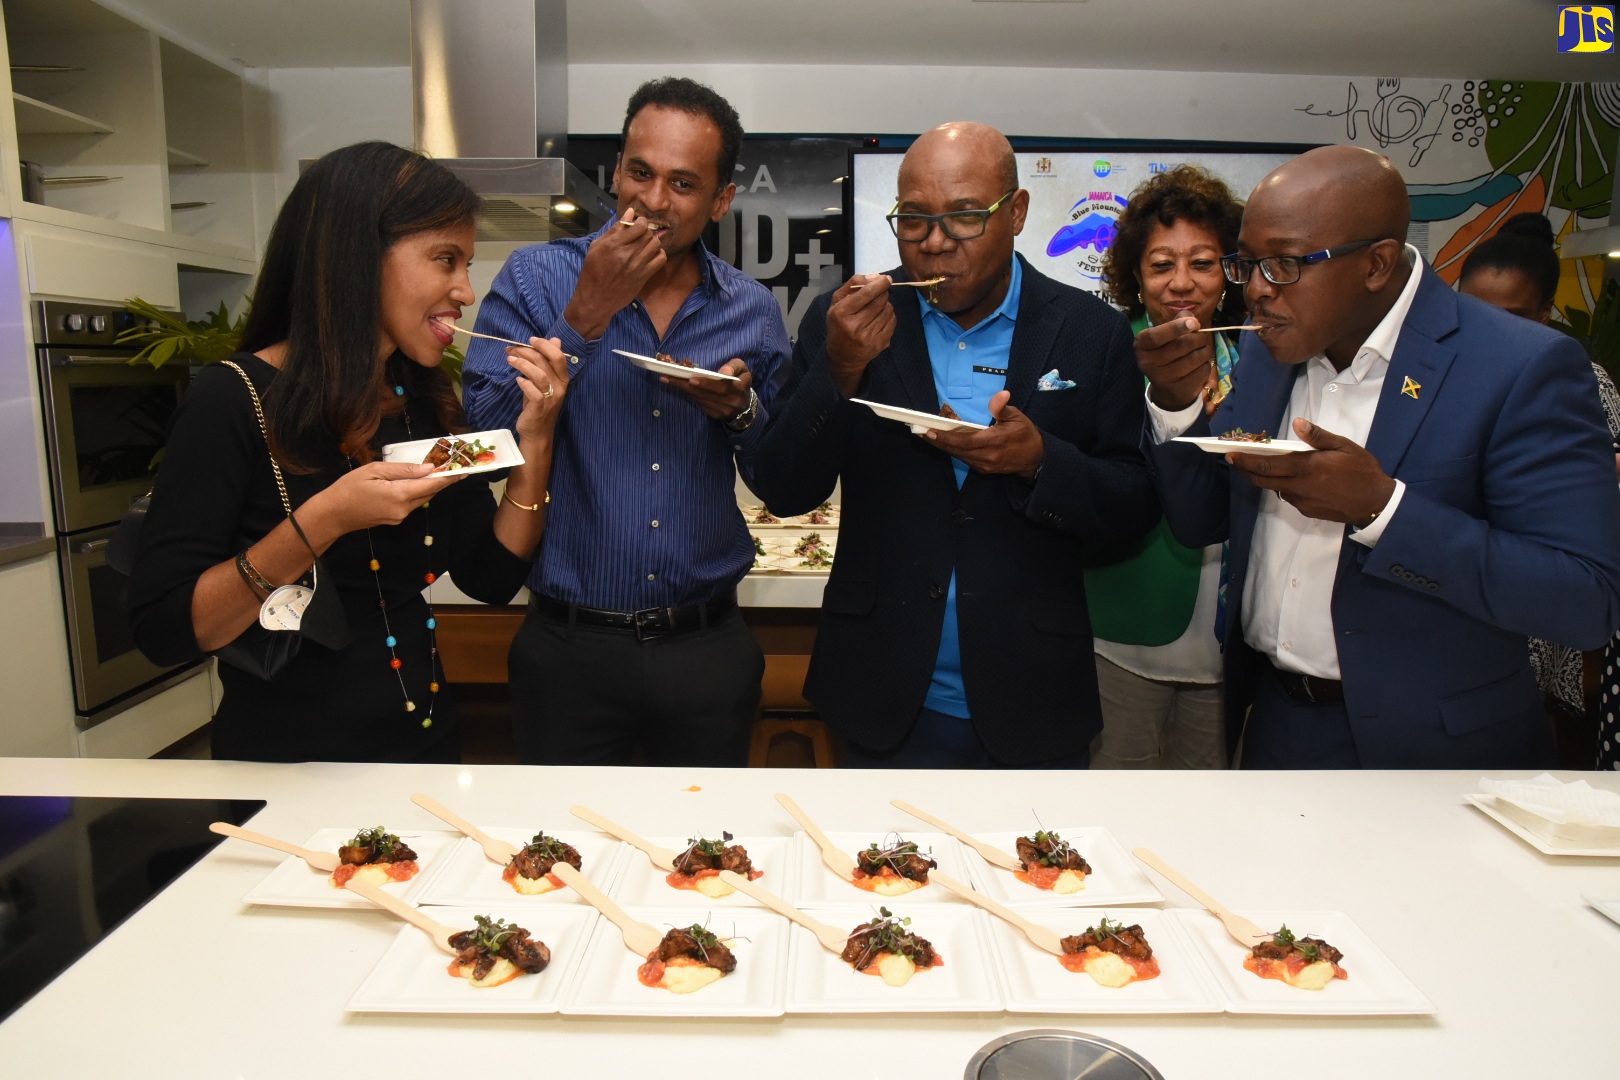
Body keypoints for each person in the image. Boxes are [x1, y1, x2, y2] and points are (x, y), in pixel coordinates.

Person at [1137, 144, 1620, 769]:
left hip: (1439, 752)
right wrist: (1176, 403)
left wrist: (1384, 510)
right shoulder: (1270, 349)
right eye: (1247, 263)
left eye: (1283, 264)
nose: (1255, 290)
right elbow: (1200, 520)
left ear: (1376, 265)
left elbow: (1584, 602)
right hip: (1276, 727)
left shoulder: (1521, 366)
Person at [129, 142, 570, 763]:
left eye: (466, 264)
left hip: (425, 748)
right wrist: (326, 518)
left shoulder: (425, 399)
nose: (465, 291)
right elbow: (168, 630)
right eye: (446, 260)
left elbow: (491, 576)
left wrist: (539, 439)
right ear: (358, 258)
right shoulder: (231, 401)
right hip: (289, 769)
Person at [752, 122, 1159, 768]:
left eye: (965, 217)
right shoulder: (848, 318)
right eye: (913, 221)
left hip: (1034, 697)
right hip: (878, 691)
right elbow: (783, 486)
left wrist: (1039, 462)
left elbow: (1133, 505)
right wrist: (838, 370)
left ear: (1017, 212)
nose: (935, 243)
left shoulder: (1091, 331)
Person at [462, 77, 788, 768]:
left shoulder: (751, 309)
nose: (652, 200)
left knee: (705, 860)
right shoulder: (535, 279)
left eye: (683, 183)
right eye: (639, 172)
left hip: (707, 650)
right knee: (558, 859)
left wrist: (742, 412)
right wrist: (584, 316)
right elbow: (482, 436)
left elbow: (779, 473)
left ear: (721, 200)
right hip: (569, 651)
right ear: (617, 171)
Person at [1087, 166, 1244, 769]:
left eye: (1202, 263)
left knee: (1209, 831)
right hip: (1124, 636)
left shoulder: (1266, 360)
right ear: (1134, 275)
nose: (1182, 284)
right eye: (1161, 266)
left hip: (1232, 649)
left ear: (1231, 270)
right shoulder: (1105, 354)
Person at [1456, 212, 1620, 769]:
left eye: (1515, 316)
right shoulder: (1434, 374)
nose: (1491, 330)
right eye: (1476, 311)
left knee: (1531, 713)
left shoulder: (1581, 379)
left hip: (1538, 574)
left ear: (1544, 313)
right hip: (1464, 575)